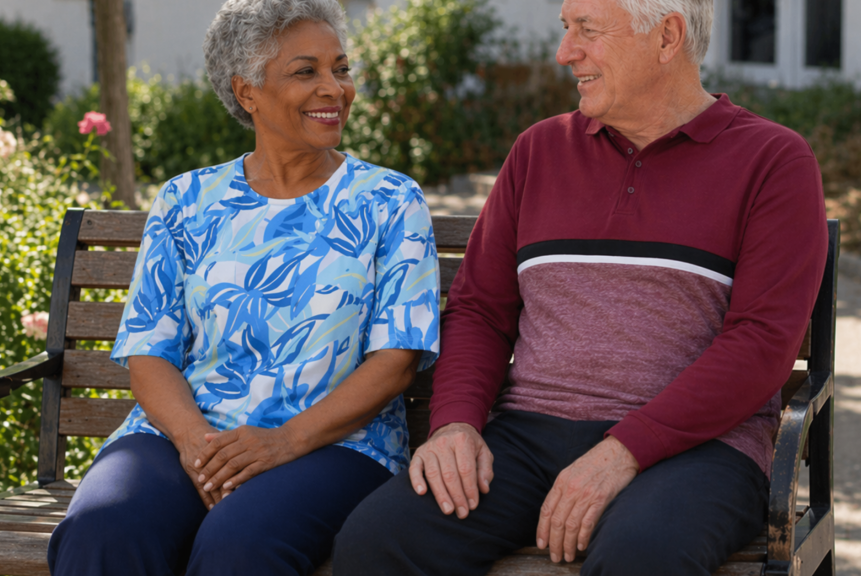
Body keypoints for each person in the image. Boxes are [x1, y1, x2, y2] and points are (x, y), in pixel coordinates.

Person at [334, 0, 828, 574]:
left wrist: (624, 450)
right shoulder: (539, 151)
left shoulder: (773, 161)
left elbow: (761, 345)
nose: (565, 53)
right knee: (379, 542)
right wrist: (455, 424)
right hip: (527, 437)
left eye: (587, 31)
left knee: (639, 560)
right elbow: (478, 311)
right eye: (566, 30)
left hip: (699, 450)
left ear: (667, 37)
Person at [47, 1, 439, 574]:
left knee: (241, 545)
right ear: (246, 91)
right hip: (188, 438)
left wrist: (281, 443)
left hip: (335, 445)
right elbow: (149, 351)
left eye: (341, 68)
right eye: (306, 71)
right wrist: (199, 447)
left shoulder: (388, 201)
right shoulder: (186, 200)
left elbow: (399, 359)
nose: (335, 88)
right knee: (102, 529)